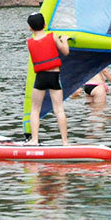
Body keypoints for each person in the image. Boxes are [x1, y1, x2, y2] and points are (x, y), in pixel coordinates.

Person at [25, 12, 70, 145]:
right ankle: (65, 141)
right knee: (59, 109)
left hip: (40, 78)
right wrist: (65, 40)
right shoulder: (53, 36)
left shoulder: (29, 43)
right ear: (45, 24)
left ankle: (34, 139)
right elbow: (65, 52)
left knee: (35, 109)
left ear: (30, 28)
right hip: (54, 76)